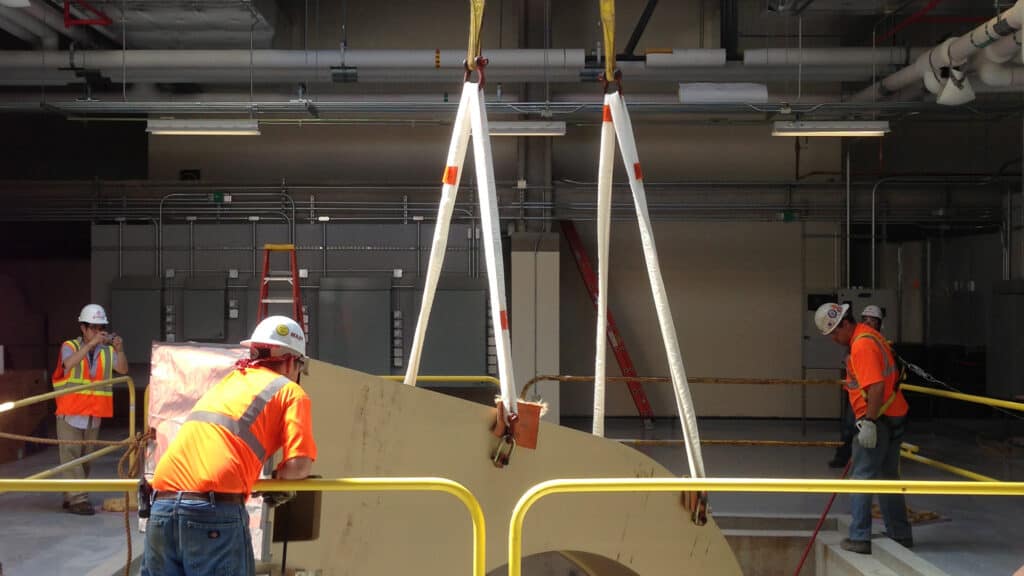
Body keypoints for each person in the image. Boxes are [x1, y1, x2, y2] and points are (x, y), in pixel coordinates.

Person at [143, 315, 317, 576]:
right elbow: (299, 466)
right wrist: (279, 482)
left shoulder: (229, 382)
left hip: (162, 506)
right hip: (212, 513)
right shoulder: (290, 392)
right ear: (292, 360)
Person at [815, 302, 912, 554]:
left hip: (877, 419)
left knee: (861, 478)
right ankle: (900, 535)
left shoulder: (861, 345)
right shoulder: (871, 336)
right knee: (889, 479)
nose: (834, 339)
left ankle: (859, 537)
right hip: (893, 414)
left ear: (846, 323)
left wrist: (868, 423)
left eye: (835, 333)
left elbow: (876, 387)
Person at [52, 304, 129, 515]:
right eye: (93, 328)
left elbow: (122, 369)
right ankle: (78, 498)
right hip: (71, 412)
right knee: (71, 458)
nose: (98, 332)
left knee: (86, 459)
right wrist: (90, 345)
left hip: (94, 414)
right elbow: (68, 364)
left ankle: (72, 495)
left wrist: (119, 350)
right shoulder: (70, 346)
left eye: (100, 328)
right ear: (83, 328)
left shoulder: (106, 352)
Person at [828, 304, 886, 469]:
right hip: (857, 398)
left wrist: (869, 422)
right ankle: (843, 456)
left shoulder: (865, 343)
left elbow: (876, 385)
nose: (868, 322)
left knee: (862, 471)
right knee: (848, 430)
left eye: (873, 320)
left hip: (870, 405)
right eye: (865, 319)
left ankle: (850, 457)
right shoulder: (858, 341)